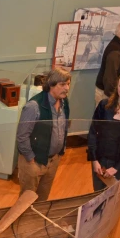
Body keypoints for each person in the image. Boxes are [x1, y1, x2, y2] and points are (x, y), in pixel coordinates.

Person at [16, 67, 71, 201]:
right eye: (62, 84)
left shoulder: (65, 102)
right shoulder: (34, 106)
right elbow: (22, 136)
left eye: (68, 84)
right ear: (51, 85)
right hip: (34, 163)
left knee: (42, 200)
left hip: (53, 161)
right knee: (26, 201)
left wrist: (59, 153)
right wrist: (30, 159)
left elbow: (64, 127)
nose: (67, 88)